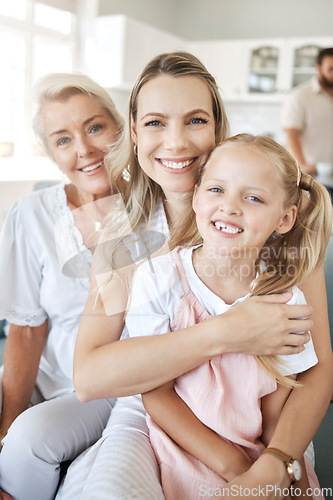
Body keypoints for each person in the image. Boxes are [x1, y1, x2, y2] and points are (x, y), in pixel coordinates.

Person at [61, 52, 332, 500]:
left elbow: (315, 369)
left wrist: (274, 460)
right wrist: (229, 332)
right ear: (133, 131)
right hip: (154, 408)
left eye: (195, 121)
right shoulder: (123, 237)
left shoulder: (288, 229)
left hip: (269, 431)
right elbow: (90, 376)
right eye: (154, 123)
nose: (176, 142)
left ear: (217, 127)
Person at [126, 133, 332, 499]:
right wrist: (235, 470)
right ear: (195, 197)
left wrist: (284, 478)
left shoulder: (285, 298)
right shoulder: (158, 279)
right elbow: (156, 393)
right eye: (217, 190)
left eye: (253, 197)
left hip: (261, 461)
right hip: (185, 458)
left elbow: (276, 414)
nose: (230, 207)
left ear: (284, 219)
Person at [0, 72, 124, 500]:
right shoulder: (29, 214)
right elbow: (27, 328)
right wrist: (7, 420)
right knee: (16, 433)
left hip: (109, 387)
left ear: (120, 128)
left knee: (30, 440)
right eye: (63, 139)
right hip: (45, 375)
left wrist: (16, 433)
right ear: (52, 153)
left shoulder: (156, 209)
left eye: (95, 127)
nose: (85, 149)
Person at [281, 47, 333, 176]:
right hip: (313, 175)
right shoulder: (300, 95)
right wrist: (302, 165)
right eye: (331, 69)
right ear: (318, 68)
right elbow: (291, 133)